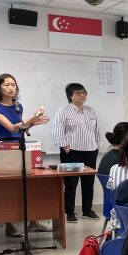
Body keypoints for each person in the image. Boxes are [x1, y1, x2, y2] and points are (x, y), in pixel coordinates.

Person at [0, 73, 50, 237]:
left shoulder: (18, 106)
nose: (10, 88)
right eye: (6, 84)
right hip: (4, 147)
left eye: (13, 84)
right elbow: (11, 128)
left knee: (30, 184)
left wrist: (31, 123)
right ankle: (9, 225)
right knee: (8, 187)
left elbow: (21, 129)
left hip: (20, 146)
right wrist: (31, 119)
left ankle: (33, 222)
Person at [52, 82, 101, 222]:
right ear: (70, 96)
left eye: (84, 92)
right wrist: (65, 146)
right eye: (78, 93)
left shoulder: (90, 110)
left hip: (90, 150)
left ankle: (87, 210)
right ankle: (70, 212)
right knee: (71, 183)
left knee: (88, 182)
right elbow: (57, 130)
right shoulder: (63, 111)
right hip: (72, 151)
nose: (82, 95)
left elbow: (97, 129)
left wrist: (97, 144)